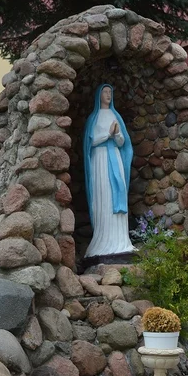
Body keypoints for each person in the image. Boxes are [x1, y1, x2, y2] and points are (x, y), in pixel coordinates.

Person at [83, 84, 135, 259]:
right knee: (103, 196)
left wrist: (117, 135)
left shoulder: (115, 116)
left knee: (117, 195)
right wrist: (107, 134)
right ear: (99, 95)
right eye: (105, 92)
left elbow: (122, 143)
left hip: (115, 157)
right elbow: (90, 143)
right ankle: (103, 242)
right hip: (100, 160)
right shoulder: (94, 118)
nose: (108, 95)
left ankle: (121, 240)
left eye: (110, 92)